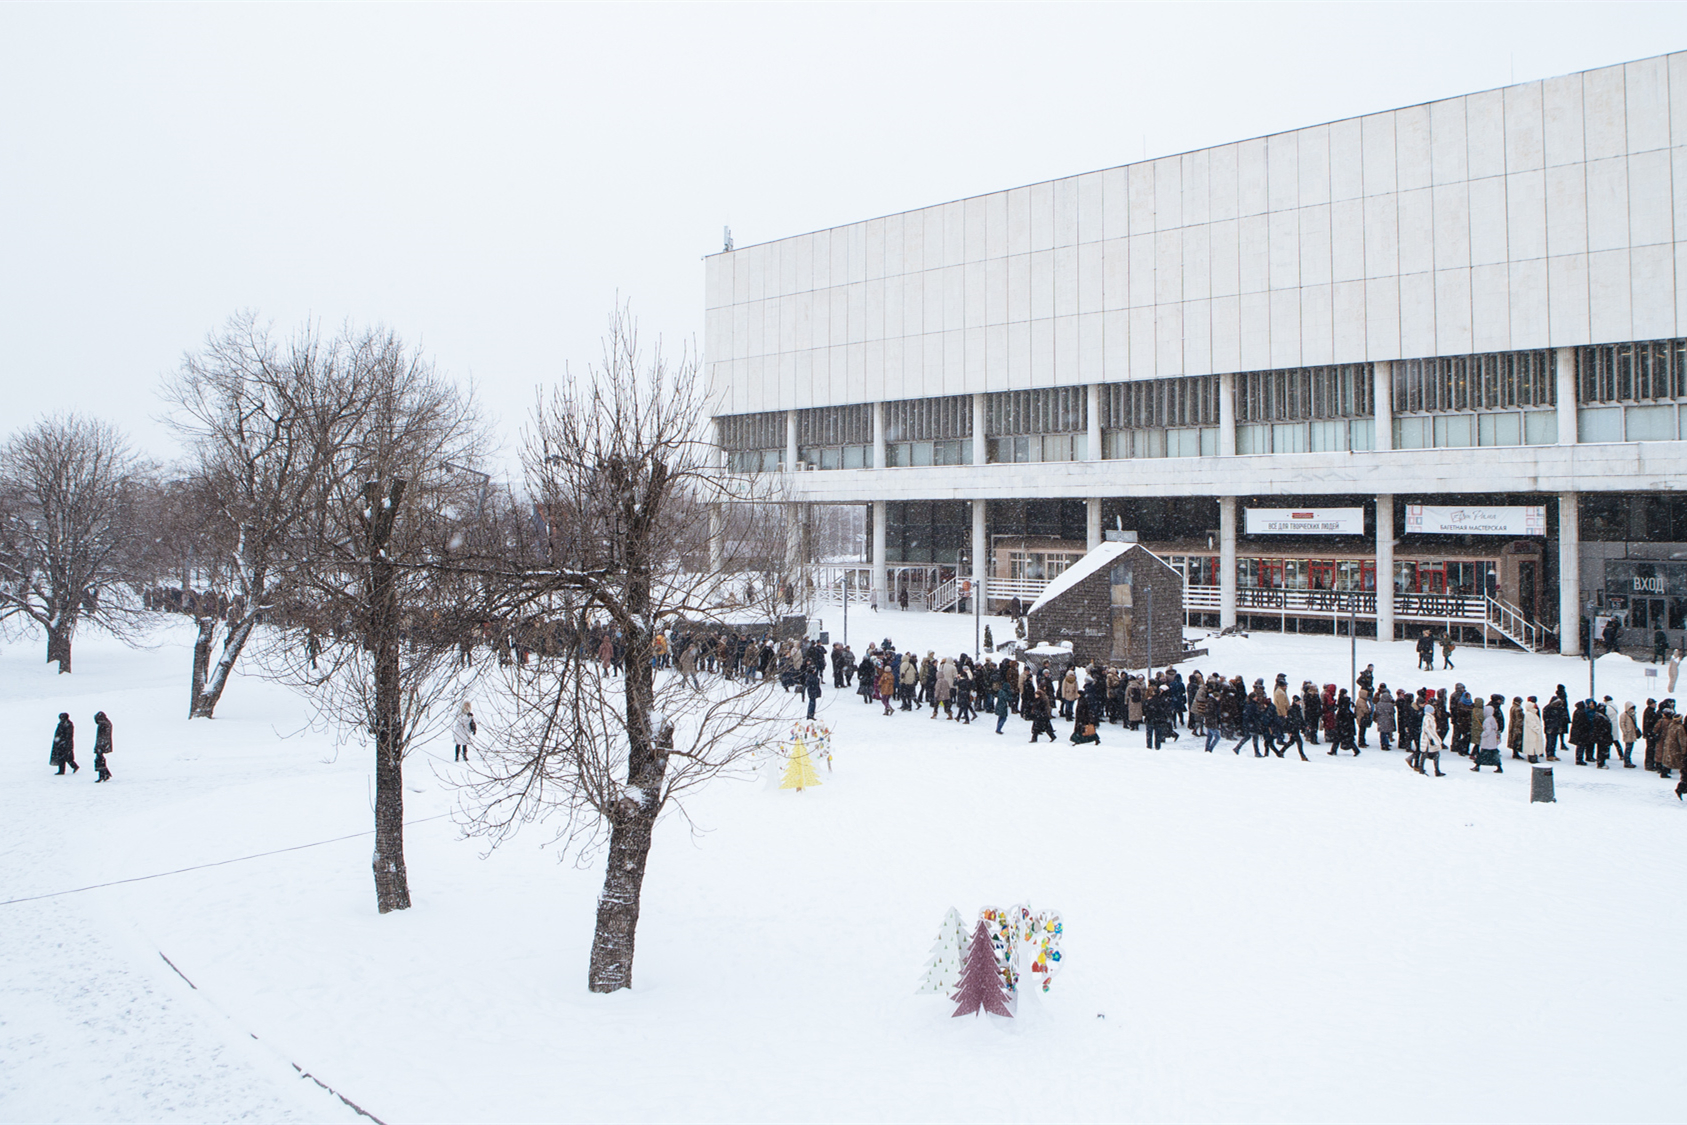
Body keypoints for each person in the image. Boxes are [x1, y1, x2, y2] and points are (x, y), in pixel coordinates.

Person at [1472, 703, 1503, 773]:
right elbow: (1496, 727)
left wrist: (1483, 734)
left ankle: (1477, 766)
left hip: (1488, 739)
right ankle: (1499, 767)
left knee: (1483, 753)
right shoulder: (1492, 718)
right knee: (1494, 753)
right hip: (1493, 738)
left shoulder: (1487, 720)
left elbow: (1488, 730)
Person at [92, 710, 113, 782]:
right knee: (100, 760)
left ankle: (103, 775)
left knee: (99, 760)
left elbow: (101, 737)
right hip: (104, 744)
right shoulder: (107, 723)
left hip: (101, 745)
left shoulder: (102, 724)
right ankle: (105, 774)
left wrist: (99, 746)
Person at [1522, 697, 1545, 764]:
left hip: (1532, 732)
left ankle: (1533, 757)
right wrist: (1537, 729)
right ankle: (1532, 758)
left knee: (1533, 745)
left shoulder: (1532, 713)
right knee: (1532, 745)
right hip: (1532, 732)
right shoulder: (1529, 714)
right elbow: (1531, 723)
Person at [1618, 701, 1640, 768]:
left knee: (1630, 748)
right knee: (1628, 748)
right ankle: (1627, 761)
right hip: (1628, 733)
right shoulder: (1624, 715)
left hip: (1632, 733)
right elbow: (1622, 724)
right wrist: (1625, 731)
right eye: (1631, 708)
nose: (1632, 710)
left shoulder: (1633, 715)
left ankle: (1628, 761)